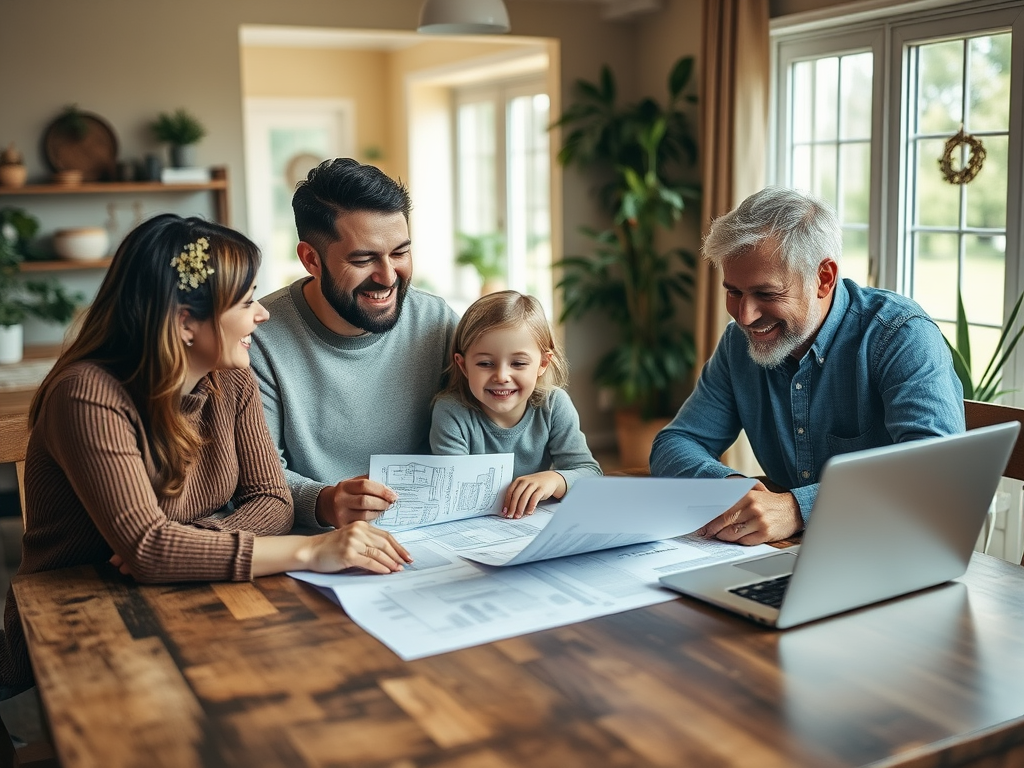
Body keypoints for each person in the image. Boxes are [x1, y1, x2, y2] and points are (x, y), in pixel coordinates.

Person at [2, 215, 410, 695]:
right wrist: (312, 549)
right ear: (184, 322)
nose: (263, 315)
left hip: (191, 596)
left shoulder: (230, 376)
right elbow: (152, 550)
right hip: (77, 626)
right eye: (247, 301)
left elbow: (272, 501)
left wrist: (189, 545)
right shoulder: (87, 395)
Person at [650, 186, 965, 545]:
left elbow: (937, 472)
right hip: (799, 551)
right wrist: (730, 489)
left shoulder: (900, 336)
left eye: (767, 294)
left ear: (824, 278)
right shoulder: (738, 345)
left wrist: (798, 509)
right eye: (734, 291)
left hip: (897, 545)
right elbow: (675, 443)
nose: (745, 315)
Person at [249, 159, 458, 532]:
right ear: (311, 259)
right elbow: (260, 476)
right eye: (363, 259)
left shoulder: (436, 321)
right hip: (321, 543)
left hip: (437, 529)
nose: (388, 277)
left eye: (399, 253)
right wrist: (326, 502)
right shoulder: (258, 337)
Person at [430, 290, 602, 518]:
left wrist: (555, 479)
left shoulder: (554, 405)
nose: (501, 376)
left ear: (542, 363)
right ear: (463, 366)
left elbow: (591, 473)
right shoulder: (451, 412)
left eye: (518, 363)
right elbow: (455, 491)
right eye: (485, 363)